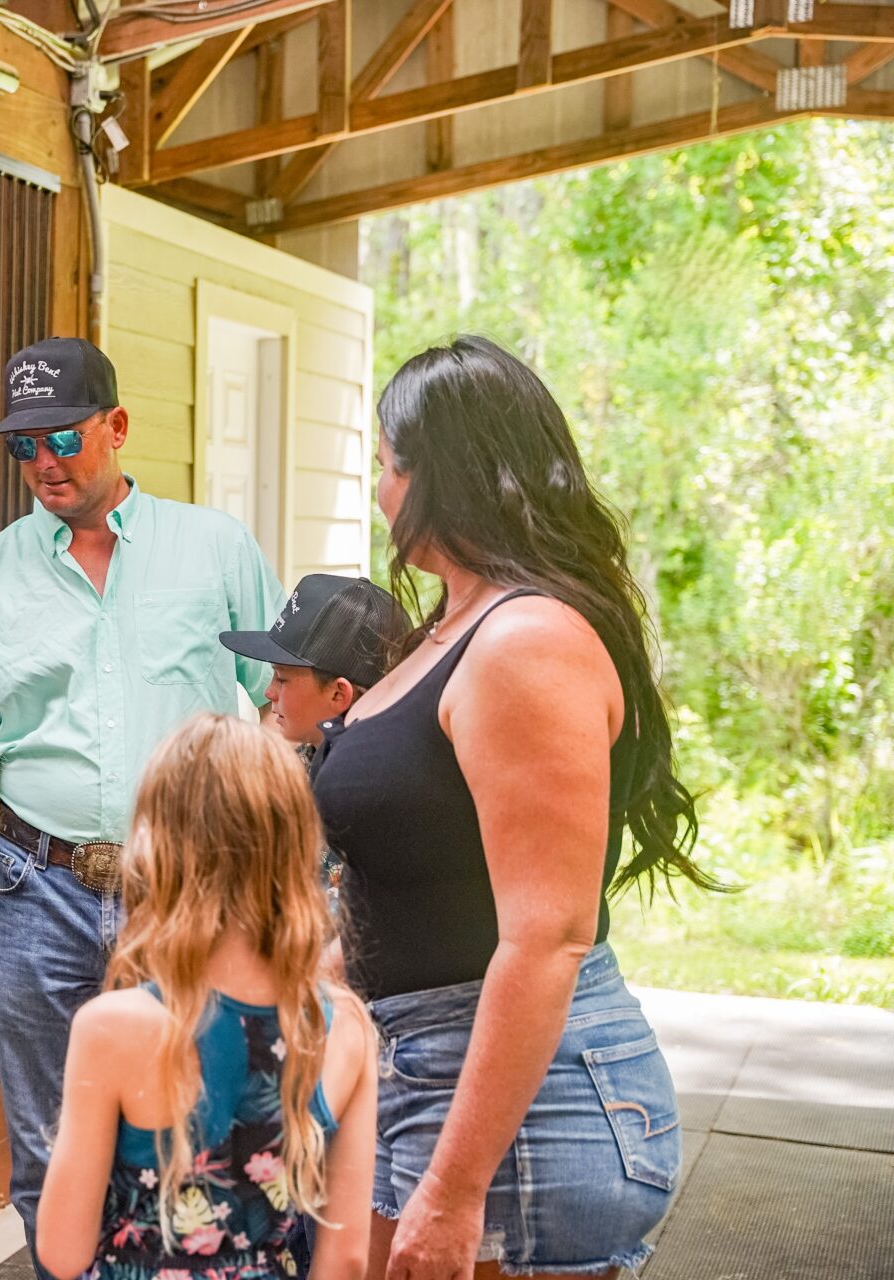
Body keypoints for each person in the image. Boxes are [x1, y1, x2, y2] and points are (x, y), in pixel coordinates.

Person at [311, 336, 714, 1280]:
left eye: (385, 465)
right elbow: (419, 870)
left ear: (437, 475)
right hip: (421, 1076)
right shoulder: (455, 623)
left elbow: (548, 938)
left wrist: (454, 1191)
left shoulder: (525, 640)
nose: (379, 492)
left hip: (522, 1118)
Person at [0, 337, 287, 1273]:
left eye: (63, 439)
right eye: (23, 448)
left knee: (205, 1123)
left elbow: (276, 703)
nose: (44, 464)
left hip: (194, 890)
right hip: (35, 888)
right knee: (49, 1149)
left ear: (117, 427)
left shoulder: (215, 549)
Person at [35, 714, 377, 1280]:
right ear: (294, 850)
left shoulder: (110, 1027)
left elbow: (61, 1250)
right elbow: (346, 1258)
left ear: (158, 850)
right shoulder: (346, 1028)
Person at [220, 574, 407, 761]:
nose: (269, 692)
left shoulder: (351, 785)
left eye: (282, 679)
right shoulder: (313, 762)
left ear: (338, 694)